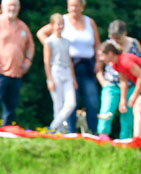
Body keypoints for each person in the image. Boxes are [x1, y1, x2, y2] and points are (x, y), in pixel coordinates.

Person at [37, 0, 100, 135]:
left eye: (77, 6)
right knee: (68, 102)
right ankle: (69, 131)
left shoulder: (90, 22)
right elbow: (41, 33)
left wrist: (99, 62)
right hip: (67, 65)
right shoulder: (62, 21)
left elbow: (97, 44)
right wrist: (51, 47)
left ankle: (93, 132)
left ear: (82, 7)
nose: (74, 8)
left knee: (91, 101)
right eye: (71, 5)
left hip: (87, 65)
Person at [0, 0, 34, 128]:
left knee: (11, 106)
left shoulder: (22, 26)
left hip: (16, 72)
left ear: (19, 7)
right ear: (2, 7)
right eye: (9, 5)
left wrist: (28, 61)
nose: (12, 8)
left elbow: (30, 45)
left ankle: (8, 131)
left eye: (15, 5)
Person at [98, 40, 141, 140]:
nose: (101, 59)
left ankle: (137, 139)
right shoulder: (115, 64)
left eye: (102, 56)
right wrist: (123, 100)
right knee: (139, 111)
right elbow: (123, 82)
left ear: (110, 53)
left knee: (138, 110)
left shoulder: (124, 61)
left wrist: (134, 96)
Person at [96, 19, 141, 138]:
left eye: (118, 38)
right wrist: (104, 83)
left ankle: (125, 140)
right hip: (112, 84)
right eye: (114, 38)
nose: (116, 41)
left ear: (125, 33)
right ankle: (103, 137)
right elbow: (98, 66)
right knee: (106, 111)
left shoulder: (134, 43)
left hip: (131, 86)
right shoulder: (107, 45)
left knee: (128, 116)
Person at [43, 13, 77, 133]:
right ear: (52, 25)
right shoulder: (49, 41)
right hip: (55, 71)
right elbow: (47, 61)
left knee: (71, 103)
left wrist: (73, 79)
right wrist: (50, 79)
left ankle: (52, 127)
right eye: (58, 24)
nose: (60, 26)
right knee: (58, 104)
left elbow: (69, 61)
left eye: (62, 24)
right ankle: (60, 131)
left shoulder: (67, 42)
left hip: (66, 72)